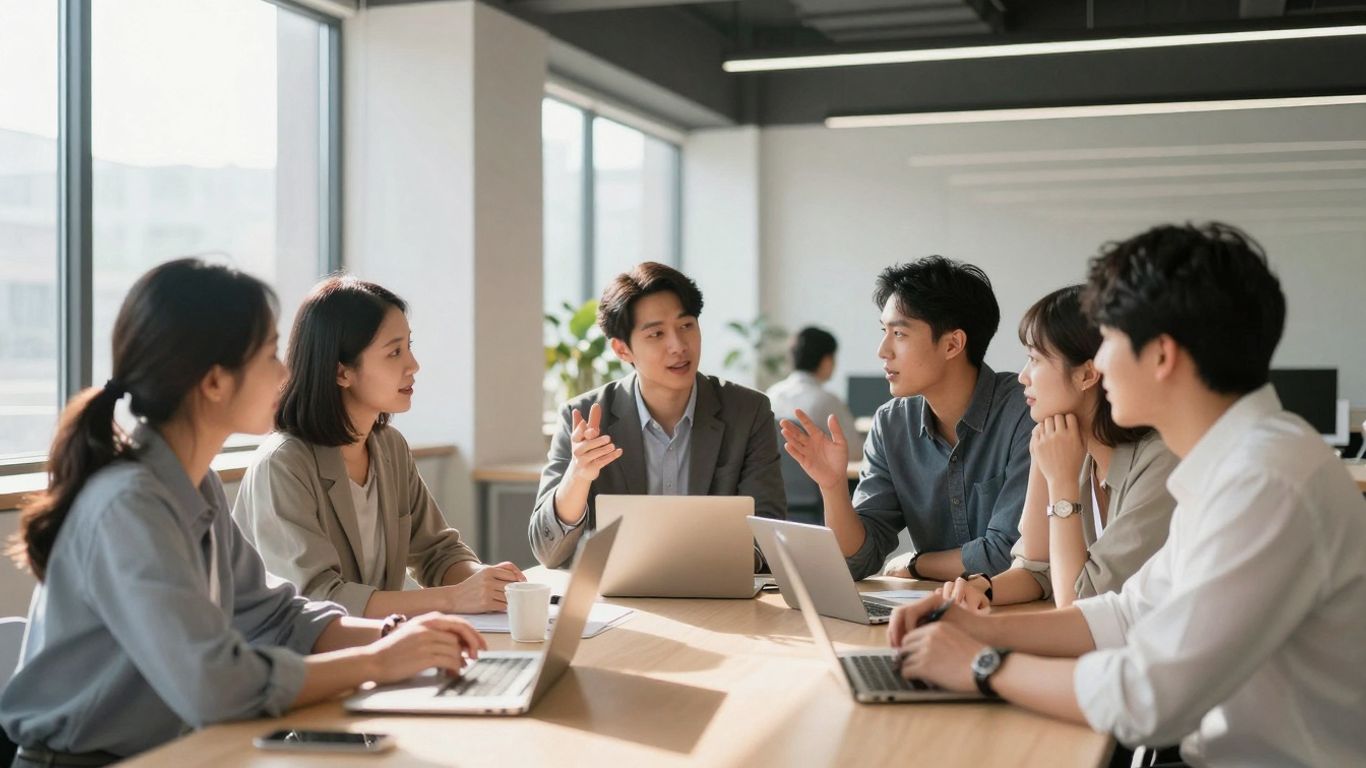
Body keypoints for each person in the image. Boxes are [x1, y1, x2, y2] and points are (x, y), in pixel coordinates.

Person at [889, 224, 1366, 767]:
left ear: (1161, 355)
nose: (1100, 362)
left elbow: (1147, 699)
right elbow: (1128, 613)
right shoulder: (1237, 465)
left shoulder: (1267, 480)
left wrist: (982, 664)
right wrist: (978, 626)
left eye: (1109, 338)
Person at [0, 259, 485, 767]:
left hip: (181, 752)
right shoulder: (130, 507)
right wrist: (379, 661)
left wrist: (400, 637)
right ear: (214, 382)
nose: (285, 372)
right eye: (271, 354)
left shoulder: (196, 483)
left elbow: (274, 615)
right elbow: (214, 684)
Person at [233, 275, 524, 618]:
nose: (413, 365)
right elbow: (317, 598)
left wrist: (487, 584)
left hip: (375, 647)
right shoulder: (283, 463)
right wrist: (454, 599)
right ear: (342, 372)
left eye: (409, 347)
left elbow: (437, 552)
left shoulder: (389, 448)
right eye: (394, 352)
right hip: (297, 661)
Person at [781, 256, 1031, 581]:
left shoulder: (1024, 411)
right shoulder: (891, 424)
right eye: (884, 331)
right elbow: (858, 560)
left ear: (953, 344)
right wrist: (832, 487)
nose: (882, 350)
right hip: (931, 612)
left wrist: (914, 563)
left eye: (899, 333)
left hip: (1016, 614)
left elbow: (1008, 555)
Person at [529, 262, 786, 569]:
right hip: (619, 604)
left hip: (717, 597)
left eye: (686, 326)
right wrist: (579, 476)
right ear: (622, 350)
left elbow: (768, 535)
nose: (678, 346)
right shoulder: (583, 417)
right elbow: (548, 552)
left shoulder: (747, 412)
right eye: (656, 334)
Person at [938, 285, 1177, 612]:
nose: (1023, 377)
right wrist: (983, 587)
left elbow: (1078, 603)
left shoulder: (1159, 461)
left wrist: (1063, 486)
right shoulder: (1057, 441)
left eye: (1035, 359)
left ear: (1087, 374)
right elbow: (1037, 568)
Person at [767, 326, 862, 461]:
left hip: (775, 479)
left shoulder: (771, 395)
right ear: (827, 360)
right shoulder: (827, 400)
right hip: (818, 480)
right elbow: (854, 452)